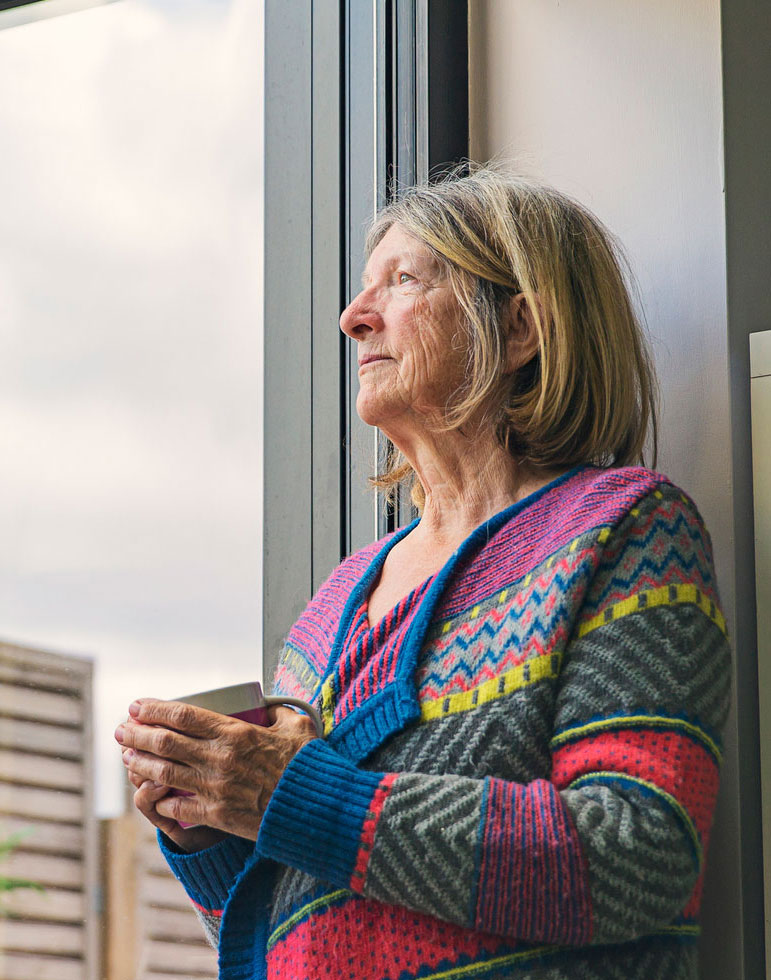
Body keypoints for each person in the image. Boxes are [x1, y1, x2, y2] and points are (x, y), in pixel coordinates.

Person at [115, 167, 731, 980]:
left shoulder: (625, 530)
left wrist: (293, 796)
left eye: (402, 281)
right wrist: (207, 823)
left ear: (518, 330)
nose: (351, 317)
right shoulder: (330, 606)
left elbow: (634, 857)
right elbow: (295, 909)